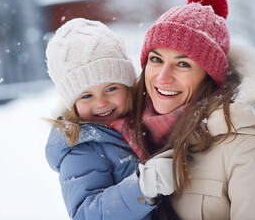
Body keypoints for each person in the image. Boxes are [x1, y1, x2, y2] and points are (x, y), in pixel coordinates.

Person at [129, 0, 255, 219]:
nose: (162, 77)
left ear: (210, 76)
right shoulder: (131, 131)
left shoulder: (251, 144)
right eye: (156, 59)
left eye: (183, 64)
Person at [45, 18, 165, 220]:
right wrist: (142, 189)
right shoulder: (81, 148)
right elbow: (86, 213)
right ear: (72, 104)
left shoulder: (147, 121)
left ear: (128, 87)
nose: (101, 103)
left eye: (111, 89)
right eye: (86, 96)